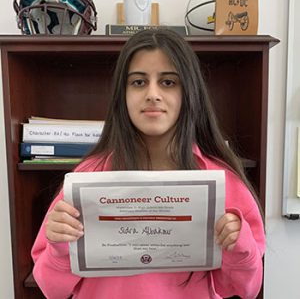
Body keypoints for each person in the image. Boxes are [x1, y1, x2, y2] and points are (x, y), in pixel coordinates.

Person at [32, 28, 265, 299]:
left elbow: (248, 289)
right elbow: (51, 290)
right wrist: (60, 249)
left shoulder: (225, 183)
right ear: (123, 94)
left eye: (168, 82)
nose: (152, 94)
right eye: (139, 82)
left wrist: (240, 248)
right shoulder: (87, 177)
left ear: (189, 92)